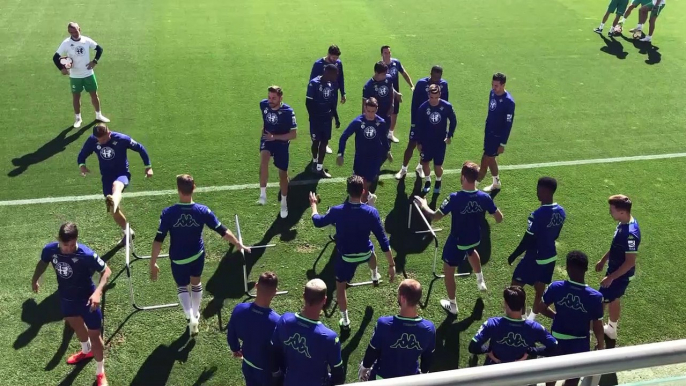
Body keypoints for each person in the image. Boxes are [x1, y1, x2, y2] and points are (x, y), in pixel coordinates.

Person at [150, 174, 250, 335]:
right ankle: (195, 313)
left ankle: (190, 316)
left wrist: (153, 262)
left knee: (182, 286)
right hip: (197, 255)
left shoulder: (168, 213)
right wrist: (238, 244)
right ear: (194, 188)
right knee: (196, 284)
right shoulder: (203, 211)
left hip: (178, 258)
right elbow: (222, 230)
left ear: (178, 190)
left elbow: (158, 240)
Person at [414, 161, 503, 315]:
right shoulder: (484, 197)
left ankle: (453, 305)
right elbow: (499, 218)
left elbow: (435, 216)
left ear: (462, 176)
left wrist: (423, 205)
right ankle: (480, 280)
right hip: (475, 237)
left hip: (457, 241)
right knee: (471, 250)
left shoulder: (455, 197)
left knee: (448, 271)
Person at [309, 175, 395, 330]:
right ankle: (374, 274)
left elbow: (318, 222)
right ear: (363, 191)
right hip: (365, 253)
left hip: (346, 257)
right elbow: (383, 241)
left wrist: (314, 205)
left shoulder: (337, 211)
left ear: (347, 191)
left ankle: (345, 321)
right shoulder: (371, 212)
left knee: (340, 289)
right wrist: (391, 264)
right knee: (372, 252)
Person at [31, 222, 112, 386]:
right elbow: (43, 262)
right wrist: (35, 279)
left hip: (88, 300)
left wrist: (98, 292)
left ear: (77, 240)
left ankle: (100, 372)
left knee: (95, 336)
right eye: (65, 245)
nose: (68, 248)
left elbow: (106, 271)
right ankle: (85, 351)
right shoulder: (50, 250)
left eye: (72, 245)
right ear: (58, 239)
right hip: (67, 298)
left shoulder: (86, 254)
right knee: (76, 325)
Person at [535, 251, 605, 386]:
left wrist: (556, 316)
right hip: (580, 344)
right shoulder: (595, 297)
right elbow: (597, 325)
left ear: (567, 268)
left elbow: (541, 308)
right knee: (573, 379)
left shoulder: (556, 287)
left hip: (556, 340)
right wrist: (601, 344)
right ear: (586, 269)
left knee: (551, 375)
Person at [77, 123, 152, 245]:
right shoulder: (92, 140)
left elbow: (140, 148)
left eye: (104, 139)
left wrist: (148, 167)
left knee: (116, 186)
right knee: (114, 211)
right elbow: (82, 155)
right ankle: (128, 232)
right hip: (106, 177)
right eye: (99, 140)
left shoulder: (122, 139)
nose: (101, 142)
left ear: (109, 133)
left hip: (121, 173)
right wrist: (82, 166)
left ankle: (113, 199)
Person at [508, 177, 566, 321]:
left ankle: (521, 318)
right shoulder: (561, 212)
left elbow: (527, 240)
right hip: (550, 256)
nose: (536, 192)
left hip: (535, 257)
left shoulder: (537, 215)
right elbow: (556, 234)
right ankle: (532, 318)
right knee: (539, 290)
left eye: (538, 189)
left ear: (545, 191)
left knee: (516, 287)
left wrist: (514, 254)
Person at [271, 279, 344, 386]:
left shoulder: (284, 320)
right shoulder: (329, 337)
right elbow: (338, 375)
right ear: (324, 300)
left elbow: (274, 352)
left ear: (304, 296)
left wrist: (277, 376)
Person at [358, 279, 435, 381]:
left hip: (382, 378)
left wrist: (365, 367)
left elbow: (373, 351)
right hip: (410, 380)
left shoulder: (384, 324)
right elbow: (427, 357)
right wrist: (424, 372)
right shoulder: (429, 328)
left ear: (402, 299)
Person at [469, 286, 558, 365]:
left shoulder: (492, 324)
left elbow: (473, 346)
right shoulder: (534, 327)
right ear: (523, 305)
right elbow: (554, 347)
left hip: (493, 367)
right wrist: (532, 351)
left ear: (506, 304)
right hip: (518, 370)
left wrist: (488, 350)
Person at [595, 195, 640, 340]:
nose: (610, 213)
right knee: (614, 298)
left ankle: (592, 331)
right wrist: (603, 260)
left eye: (612, 210)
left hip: (620, 275)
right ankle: (611, 329)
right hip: (615, 270)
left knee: (600, 300)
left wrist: (610, 278)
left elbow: (630, 262)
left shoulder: (631, 235)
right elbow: (616, 247)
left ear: (622, 212)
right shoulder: (623, 223)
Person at [395, 65, 449, 180]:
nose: (436, 81)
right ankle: (403, 168)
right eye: (434, 78)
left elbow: (445, 104)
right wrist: (414, 123)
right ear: (430, 74)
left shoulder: (443, 85)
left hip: (432, 123)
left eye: (438, 78)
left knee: (426, 146)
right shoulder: (421, 84)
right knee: (412, 144)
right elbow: (414, 104)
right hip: (420, 121)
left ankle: (420, 167)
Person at [227, 272, 281, 386]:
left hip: (247, 363)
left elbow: (231, 333)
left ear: (256, 286)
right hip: (265, 370)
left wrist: (235, 348)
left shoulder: (239, 309)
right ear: (275, 292)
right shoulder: (277, 321)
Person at [53, 22, 109, 129]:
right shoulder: (66, 43)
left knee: (94, 95)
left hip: (88, 73)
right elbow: (55, 57)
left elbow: (99, 49)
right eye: (71, 32)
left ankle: (99, 115)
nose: (74, 33)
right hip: (75, 76)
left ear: (79, 29)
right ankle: (78, 118)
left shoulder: (86, 40)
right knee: (76, 97)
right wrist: (62, 69)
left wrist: (95, 61)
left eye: (75, 31)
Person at [337, 98, 392, 205]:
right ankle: (366, 202)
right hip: (360, 158)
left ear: (377, 109)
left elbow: (384, 138)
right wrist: (340, 153)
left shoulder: (381, 122)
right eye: (368, 111)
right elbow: (344, 136)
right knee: (357, 185)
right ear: (364, 109)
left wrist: (388, 151)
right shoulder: (358, 122)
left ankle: (361, 206)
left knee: (365, 184)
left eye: (373, 111)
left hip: (374, 158)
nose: (370, 114)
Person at [258, 85, 297, 219]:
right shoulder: (263, 105)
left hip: (281, 143)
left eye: (274, 98)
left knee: (282, 175)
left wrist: (275, 137)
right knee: (263, 160)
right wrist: (265, 133)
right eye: (269, 97)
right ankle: (263, 194)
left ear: (281, 98)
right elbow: (265, 122)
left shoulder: (288, 112)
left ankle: (284, 203)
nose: (270, 100)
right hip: (267, 140)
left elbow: (293, 134)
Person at [415, 84, 457, 194]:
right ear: (428, 95)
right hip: (426, 141)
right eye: (431, 97)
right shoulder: (423, 108)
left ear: (439, 94)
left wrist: (449, 135)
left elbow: (453, 121)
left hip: (440, 142)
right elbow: (418, 126)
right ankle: (428, 180)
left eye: (436, 97)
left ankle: (438, 180)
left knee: (438, 167)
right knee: (425, 163)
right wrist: (418, 142)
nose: (433, 100)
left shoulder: (446, 106)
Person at [478, 72, 515, 193]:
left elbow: (508, 124)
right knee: (491, 158)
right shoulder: (492, 93)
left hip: (496, 137)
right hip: (489, 132)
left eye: (496, 85)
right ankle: (496, 182)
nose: (494, 88)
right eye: (492, 84)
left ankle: (473, 185)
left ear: (503, 85)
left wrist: (502, 143)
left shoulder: (509, 102)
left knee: (485, 160)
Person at [310, 44, 346, 154]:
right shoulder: (318, 64)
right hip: (320, 98)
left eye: (337, 58)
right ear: (328, 54)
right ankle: (316, 140)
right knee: (318, 118)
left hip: (332, 95)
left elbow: (341, 78)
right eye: (333, 57)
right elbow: (312, 81)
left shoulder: (338, 63)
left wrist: (343, 93)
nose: (335, 60)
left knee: (329, 116)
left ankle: (324, 143)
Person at [306, 64, 339, 178]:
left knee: (324, 142)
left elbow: (331, 103)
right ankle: (314, 161)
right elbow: (308, 103)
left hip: (326, 119)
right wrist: (313, 117)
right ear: (328, 73)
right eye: (335, 74)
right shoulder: (314, 83)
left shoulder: (331, 84)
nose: (336, 76)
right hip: (316, 119)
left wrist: (336, 117)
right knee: (316, 141)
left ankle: (319, 167)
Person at [380, 45, 414, 144]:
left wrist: (411, 85)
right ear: (382, 54)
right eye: (385, 53)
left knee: (395, 113)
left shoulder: (396, 63)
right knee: (383, 114)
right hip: (384, 94)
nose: (388, 54)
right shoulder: (381, 66)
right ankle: (381, 134)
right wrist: (395, 93)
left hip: (395, 94)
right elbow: (385, 82)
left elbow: (404, 73)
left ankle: (390, 133)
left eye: (389, 52)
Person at [362, 61, 402, 138]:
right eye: (384, 74)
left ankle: (386, 149)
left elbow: (391, 90)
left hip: (387, 112)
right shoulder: (368, 86)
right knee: (376, 135)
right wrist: (366, 119)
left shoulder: (388, 78)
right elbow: (364, 105)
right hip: (375, 114)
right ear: (376, 73)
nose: (385, 76)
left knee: (386, 132)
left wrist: (392, 105)